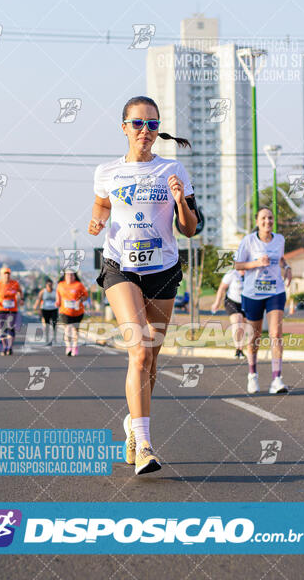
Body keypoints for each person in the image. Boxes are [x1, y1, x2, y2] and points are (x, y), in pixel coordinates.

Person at [88, 95, 200, 475]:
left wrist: (179, 200)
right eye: (138, 123)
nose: (146, 131)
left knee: (150, 357)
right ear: (124, 127)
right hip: (120, 266)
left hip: (163, 269)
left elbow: (189, 229)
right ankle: (146, 444)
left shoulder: (175, 170)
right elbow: (102, 204)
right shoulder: (107, 171)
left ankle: (133, 428)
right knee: (138, 353)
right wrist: (97, 221)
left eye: (152, 124)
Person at [235, 207, 292, 394]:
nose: (267, 221)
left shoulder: (280, 239)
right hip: (253, 293)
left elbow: (281, 259)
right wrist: (257, 263)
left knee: (276, 333)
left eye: (270, 218)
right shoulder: (248, 241)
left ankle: (277, 379)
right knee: (255, 336)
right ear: (257, 221)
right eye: (263, 218)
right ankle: (252, 374)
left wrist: (288, 267)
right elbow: (237, 264)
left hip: (276, 291)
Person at [211, 269, 246, 358]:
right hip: (232, 301)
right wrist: (217, 302)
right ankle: (237, 349)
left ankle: (241, 349)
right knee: (237, 321)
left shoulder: (251, 273)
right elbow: (222, 288)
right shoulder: (232, 274)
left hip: (246, 302)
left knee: (243, 326)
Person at [0, 266, 24, 355]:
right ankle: (4, 347)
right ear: (1, 275)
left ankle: (10, 347)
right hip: (1, 309)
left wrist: (21, 299)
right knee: (2, 329)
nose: (7, 276)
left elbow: (20, 291)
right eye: (5, 274)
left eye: (8, 274)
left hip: (12, 309)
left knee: (10, 327)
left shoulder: (15, 283)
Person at [55, 270, 88, 356]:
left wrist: (80, 300)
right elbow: (58, 296)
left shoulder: (79, 285)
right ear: (65, 276)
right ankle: (68, 347)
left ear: (74, 276)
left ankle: (75, 347)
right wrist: (57, 302)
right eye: (68, 275)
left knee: (75, 330)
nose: (69, 276)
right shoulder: (60, 285)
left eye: (71, 275)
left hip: (78, 312)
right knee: (68, 329)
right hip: (65, 312)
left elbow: (85, 296)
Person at [34, 279, 58, 345]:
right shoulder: (43, 292)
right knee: (46, 324)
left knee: (54, 324)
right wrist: (36, 307)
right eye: (48, 285)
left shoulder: (55, 292)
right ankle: (47, 339)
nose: (49, 286)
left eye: (51, 284)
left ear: (52, 285)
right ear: (46, 285)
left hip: (54, 309)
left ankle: (54, 338)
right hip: (45, 309)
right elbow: (38, 299)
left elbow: (59, 300)